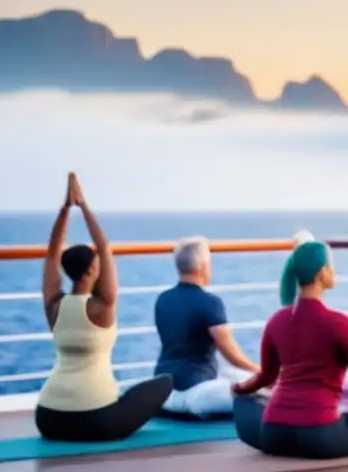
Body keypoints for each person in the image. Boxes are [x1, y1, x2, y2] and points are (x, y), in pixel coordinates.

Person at [231, 238, 348, 459]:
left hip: (273, 433)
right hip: (319, 436)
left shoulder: (277, 320)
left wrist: (241, 390)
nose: (334, 271)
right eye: (331, 266)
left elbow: (265, 376)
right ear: (322, 273)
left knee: (245, 400)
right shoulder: (339, 323)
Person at [36, 173, 172, 442]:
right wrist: (83, 206)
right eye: (97, 263)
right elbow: (104, 246)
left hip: (49, 417)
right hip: (95, 420)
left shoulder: (54, 306)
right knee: (164, 382)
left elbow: (52, 253)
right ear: (90, 270)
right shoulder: (102, 307)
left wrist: (65, 209)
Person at [153, 236, 259, 419]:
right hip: (196, 396)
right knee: (259, 392)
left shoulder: (163, 299)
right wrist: (262, 372)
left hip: (163, 393)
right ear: (201, 264)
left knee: (232, 375)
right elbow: (231, 354)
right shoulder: (209, 302)